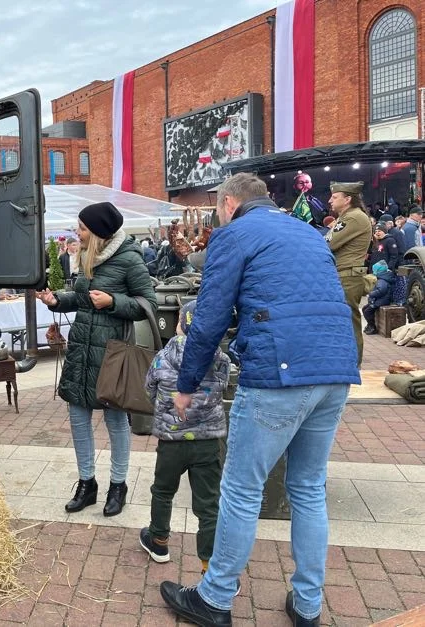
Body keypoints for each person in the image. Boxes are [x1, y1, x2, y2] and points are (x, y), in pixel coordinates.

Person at [159, 173, 360, 627]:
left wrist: (187, 383)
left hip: (279, 371)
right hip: (335, 367)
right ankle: (307, 605)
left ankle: (215, 598)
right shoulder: (308, 231)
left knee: (242, 489)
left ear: (229, 203)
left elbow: (208, 318)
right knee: (308, 489)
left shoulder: (234, 234)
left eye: (216, 207)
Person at [36, 202, 157, 517]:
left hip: (112, 354)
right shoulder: (88, 257)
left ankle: (118, 485)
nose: (78, 232)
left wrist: (114, 301)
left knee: (115, 420)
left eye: (83, 228)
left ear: (100, 232)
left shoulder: (129, 259)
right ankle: (86, 483)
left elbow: (148, 303)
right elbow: (81, 299)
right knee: (78, 419)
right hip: (81, 349)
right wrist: (56, 300)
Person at [140, 300, 230, 575]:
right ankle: (208, 564)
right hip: (207, 443)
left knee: (163, 491)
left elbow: (149, 389)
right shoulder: (221, 359)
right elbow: (223, 389)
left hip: (171, 441)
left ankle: (159, 541)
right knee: (208, 504)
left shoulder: (163, 357)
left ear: (180, 324)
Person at [325, 181, 373, 367]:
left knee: (348, 321)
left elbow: (328, 243)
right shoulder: (351, 217)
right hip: (345, 275)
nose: (330, 200)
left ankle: (352, 365)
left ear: (347, 199)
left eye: (334, 197)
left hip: (347, 277)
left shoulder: (352, 218)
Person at [363, 260, 396, 335]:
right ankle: (369, 324)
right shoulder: (384, 277)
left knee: (367, 311)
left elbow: (381, 291)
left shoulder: (382, 280)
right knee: (365, 308)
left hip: (382, 300)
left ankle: (372, 326)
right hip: (381, 299)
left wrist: (371, 294)